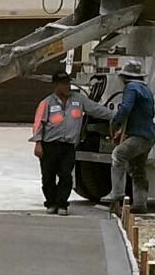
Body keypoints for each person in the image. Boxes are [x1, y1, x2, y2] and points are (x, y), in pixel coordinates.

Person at [31, 69, 113, 215]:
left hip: (68, 146)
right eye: (63, 84)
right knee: (48, 177)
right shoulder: (46, 103)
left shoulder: (79, 100)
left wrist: (116, 116)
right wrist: (38, 143)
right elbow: (38, 124)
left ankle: (62, 204)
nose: (67, 86)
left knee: (66, 176)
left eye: (68, 83)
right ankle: (51, 203)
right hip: (50, 145)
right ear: (56, 85)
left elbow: (96, 109)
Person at [100, 62, 155, 212]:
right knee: (137, 169)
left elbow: (125, 108)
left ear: (124, 77)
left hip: (139, 136)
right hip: (149, 136)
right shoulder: (147, 90)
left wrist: (115, 123)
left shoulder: (131, 87)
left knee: (118, 155)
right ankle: (140, 204)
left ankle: (117, 194)